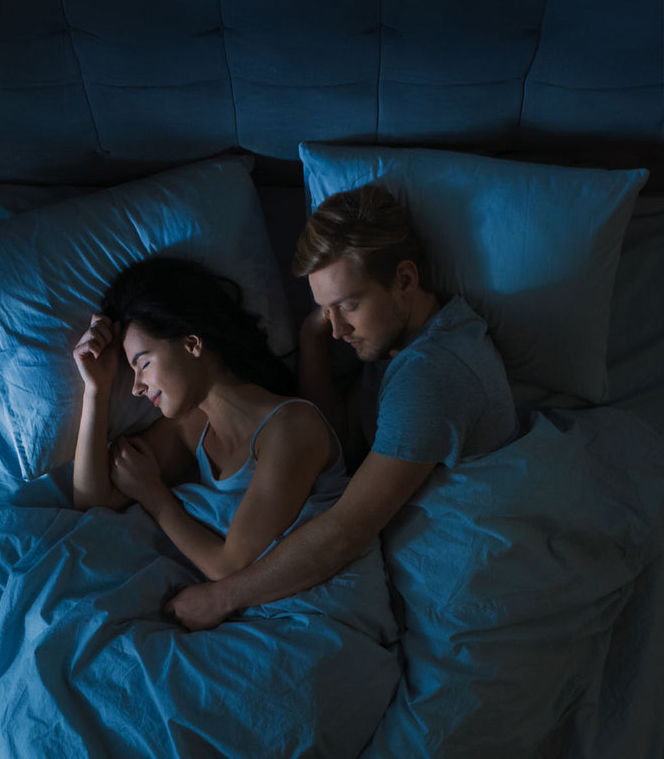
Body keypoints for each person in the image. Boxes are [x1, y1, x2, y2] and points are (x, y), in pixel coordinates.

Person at [165, 184, 518, 628]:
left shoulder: (428, 376)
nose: (338, 330)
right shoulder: (396, 336)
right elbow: (337, 439)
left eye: (348, 305)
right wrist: (312, 337)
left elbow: (346, 530)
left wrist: (221, 597)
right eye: (324, 309)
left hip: (472, 557)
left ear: (405, 280)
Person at [71, 256, 347, 583]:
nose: (136, 388)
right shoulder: (191, 427)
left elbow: (230, 567)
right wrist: (96, 390)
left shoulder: (291, 428)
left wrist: (154, 495)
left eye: (143, 365)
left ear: (192, 344)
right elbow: (93, 501)